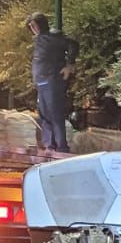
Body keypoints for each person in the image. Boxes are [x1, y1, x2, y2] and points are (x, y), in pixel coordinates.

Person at [27, 12, 79, 153]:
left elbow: (73, 44)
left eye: (34, 25)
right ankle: (50, 145)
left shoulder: (54, 36)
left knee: (55, 113)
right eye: (30, 26)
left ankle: (61, 147)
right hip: (42, 82)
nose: (33, 29)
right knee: (44, 115)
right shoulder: (40, 39)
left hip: (52, 80)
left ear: (40, 24)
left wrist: (69, 65)